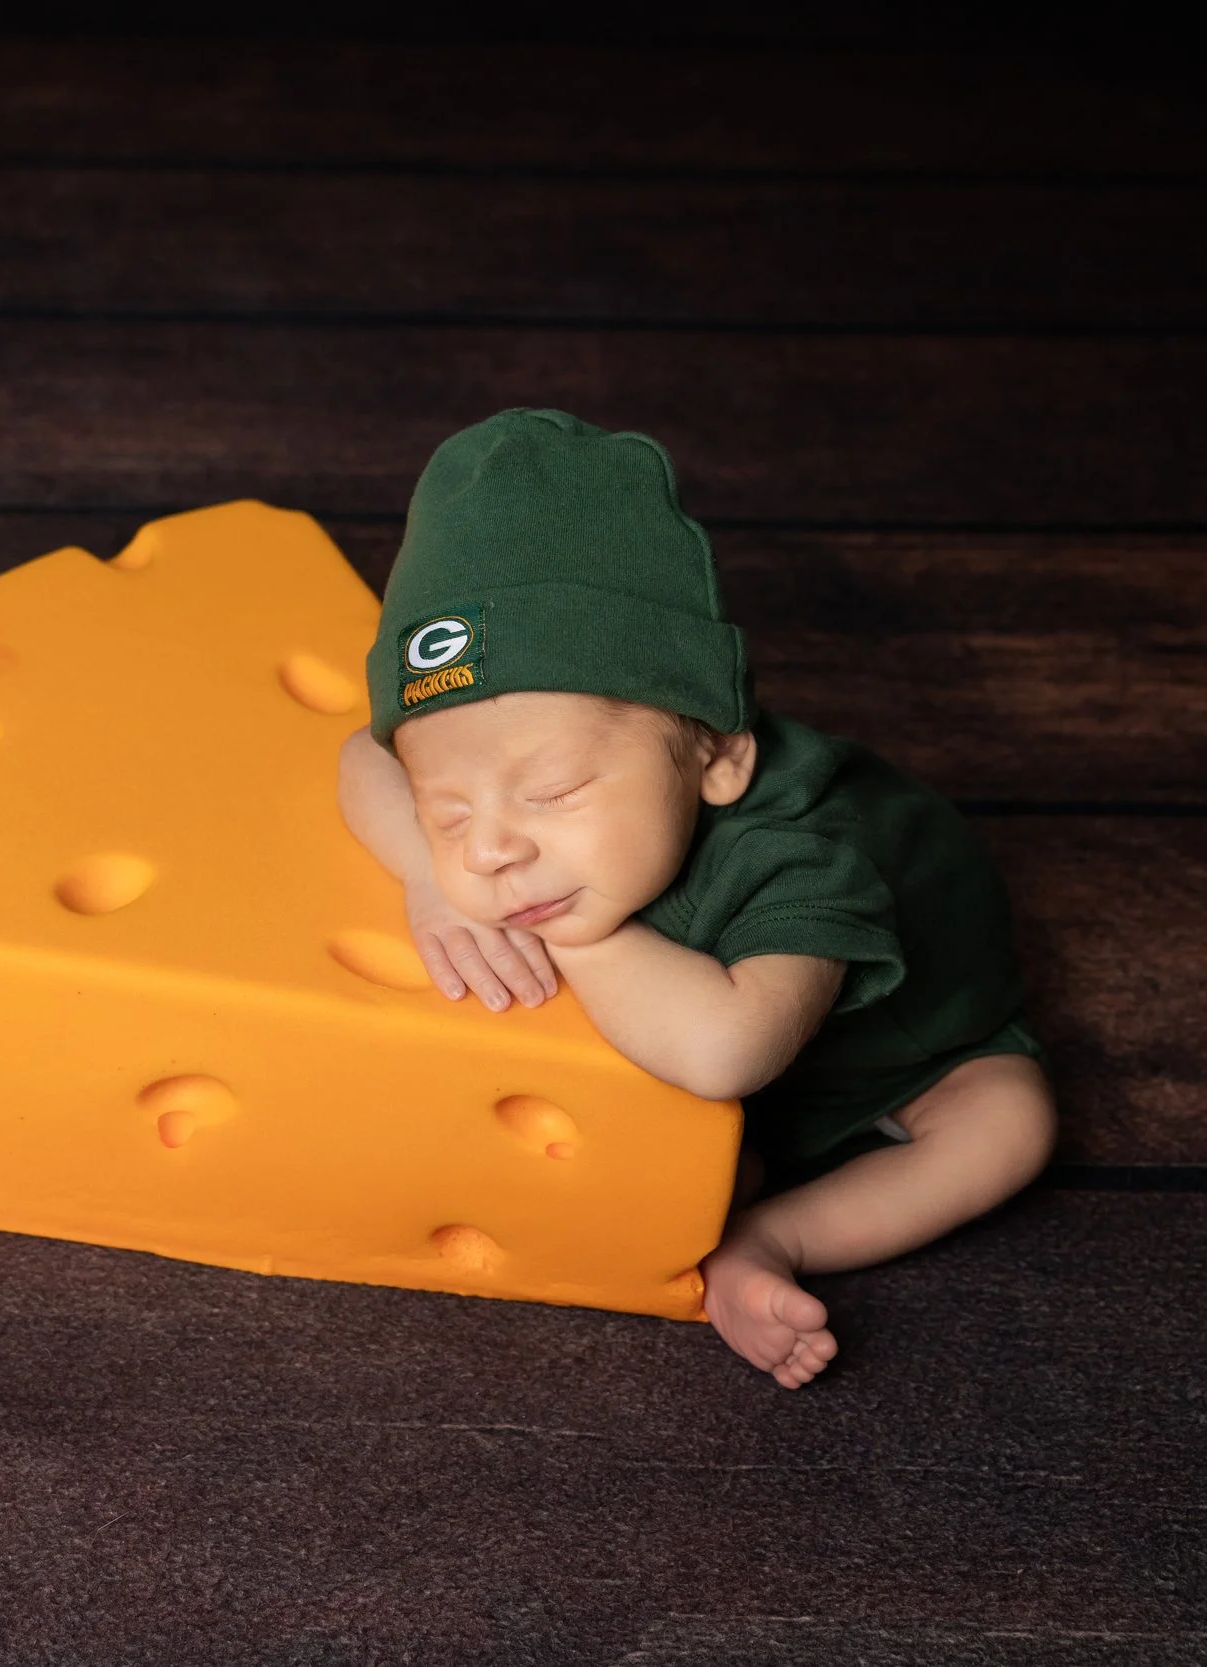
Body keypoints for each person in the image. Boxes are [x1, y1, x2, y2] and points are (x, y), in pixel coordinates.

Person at [337, 409, 1056, 1388]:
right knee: (654, 1181)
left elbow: (729, 1051)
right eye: (450, 808)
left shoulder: (800, 851)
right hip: (692, 1051)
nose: (493, 848)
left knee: (1009, 1124)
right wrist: (430, 875)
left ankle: (774, 1239)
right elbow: (359, 755)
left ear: (717, 758)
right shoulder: (545, 844)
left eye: (552, 793)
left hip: (893, 1052)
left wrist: (583, 940)